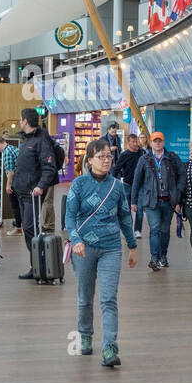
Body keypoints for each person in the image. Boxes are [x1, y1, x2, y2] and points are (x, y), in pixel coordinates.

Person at [65, 139, 137, 368]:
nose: (107, 160)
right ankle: (85, 334)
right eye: (101, 157)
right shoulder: (78, 185)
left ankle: (109, 347)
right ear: (89, 160)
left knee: (108, 298)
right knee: (85, 297)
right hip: (83, 249)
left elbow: (125, 217)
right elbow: (69, 217)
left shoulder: (117, 186)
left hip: (111, 248)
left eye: (109, 156)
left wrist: (132, 246)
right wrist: (75, 240)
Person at [13, 107, 58, 279]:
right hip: (22, 191)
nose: (19, 122)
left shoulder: (40, 141)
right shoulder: (26, 140)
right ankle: (36, 266)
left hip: (33, 192)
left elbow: (49, 167)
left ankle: (40, 266)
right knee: (28, 228)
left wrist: (41, 186)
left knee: (31, 228)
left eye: (20, 119)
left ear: (25, 121)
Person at [131, 130, 184, 272]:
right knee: (155, 229)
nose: (157, 143)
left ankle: (163, 256)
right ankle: (154, 258)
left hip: (168, 201)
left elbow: (182, 174)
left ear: (163, 142)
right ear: (151, 143)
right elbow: (136, 180)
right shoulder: (144, 159)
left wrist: (178, 192)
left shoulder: (172, 158)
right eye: (155, 141)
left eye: (160, 140)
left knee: (165, 230)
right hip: (151, 201)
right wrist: (134, 201)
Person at [113, 132, 145, 237]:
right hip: (127, 185)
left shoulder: (142, 153)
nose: (136, 143)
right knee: (127, 209)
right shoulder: (124, 155)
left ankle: (137, 230)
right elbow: (116, 169)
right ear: (128, 143)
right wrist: (113, 182)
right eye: (133, 142)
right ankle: (130, 229)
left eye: (137, 141)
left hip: (140, 186)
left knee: (140, 208)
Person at [0, 136, 21, 234]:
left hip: (15, 182)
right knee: (20, 204)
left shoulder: (6, 152)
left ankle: (18, 228)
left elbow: (11, 171)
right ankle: (21, 225)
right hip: (22, 181)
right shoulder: (13, 148)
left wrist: (8, 185)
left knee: (15, 205)